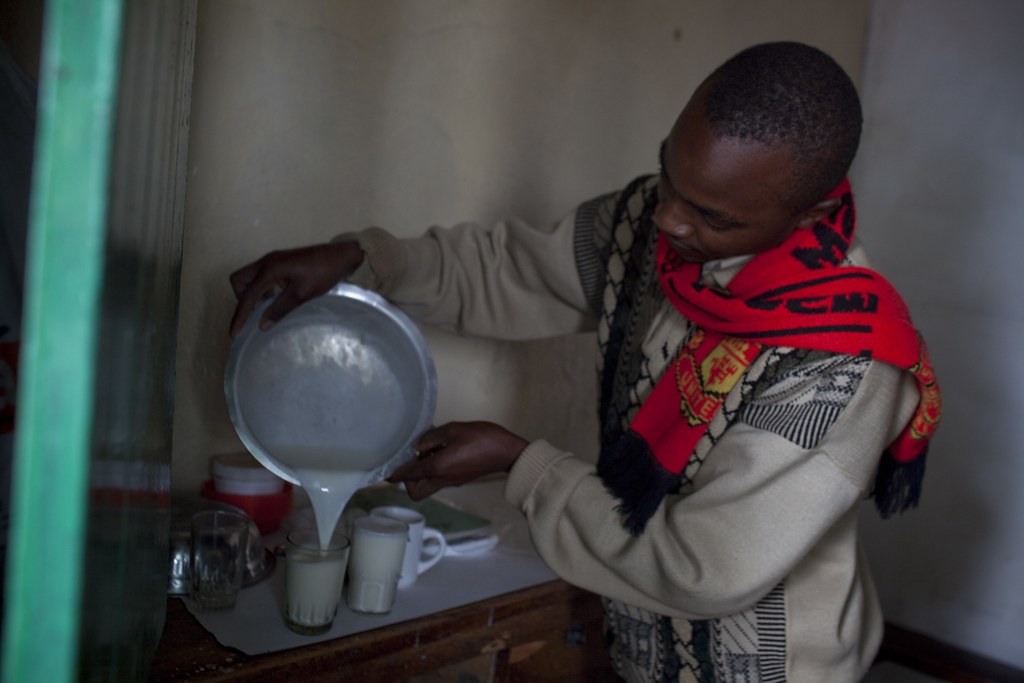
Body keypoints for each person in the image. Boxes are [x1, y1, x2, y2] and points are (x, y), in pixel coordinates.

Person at [229, 41, 941, 683]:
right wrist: (365, 261)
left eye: (713, 217)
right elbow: (504, 271)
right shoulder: (653, 225)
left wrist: (523, 464)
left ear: (809, 215)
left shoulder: (841, 362)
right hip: (639, 646)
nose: (669, 219)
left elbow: (705, 568)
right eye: (668, 176)